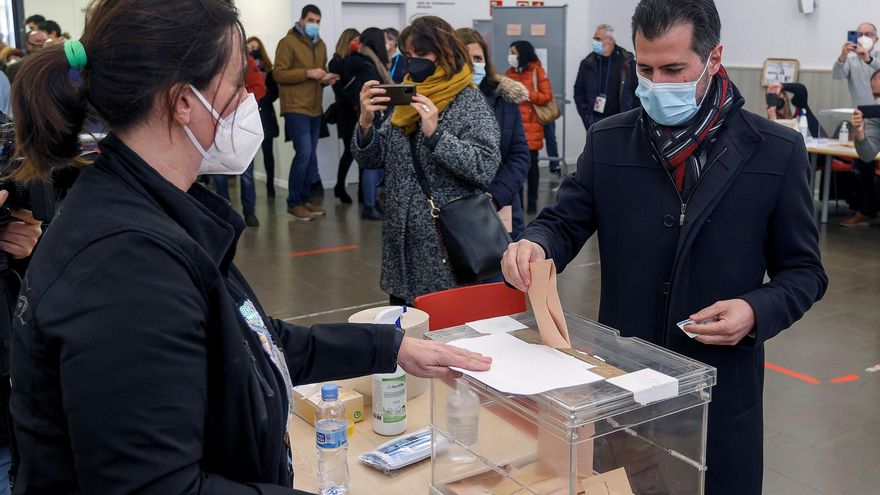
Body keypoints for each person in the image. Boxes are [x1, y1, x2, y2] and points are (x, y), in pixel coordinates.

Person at [7, 1, 491, 492]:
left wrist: (391, 347)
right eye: (238, 85)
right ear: (183, 102)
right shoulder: (125, 264)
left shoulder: (155, 210)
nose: (248, 102)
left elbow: (249, 340)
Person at [501, 1, 827, 494]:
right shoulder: (610, 141)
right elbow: (564, 221)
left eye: (674, 69)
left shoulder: (775, 151)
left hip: (718, 392)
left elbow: (804, 272)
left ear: (714, 58)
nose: (656, 84)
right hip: (623, 389)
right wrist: (533, 243)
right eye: (645, 69)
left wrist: (756, 311)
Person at [353, 15, 501, 305]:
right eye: (409, 55)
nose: (413, 62)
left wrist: (437, 136)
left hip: (444, 249)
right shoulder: (407, 99)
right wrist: (366, 122)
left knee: (445, 335)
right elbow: (373, 158)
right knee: (406, 335)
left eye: (421, 54)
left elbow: (484, 167)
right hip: (402, 249)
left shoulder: (468, 101)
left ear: (444, 52)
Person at [456, 28, 530, 239]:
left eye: (478, 58)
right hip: (457, 212)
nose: (473, 65)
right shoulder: (443, 103)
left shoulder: (504, 99)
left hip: (502, 206)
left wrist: (495, 197)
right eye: (465, 59)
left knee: (503, 269)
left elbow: (520, 155)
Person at [274, 4, 339, 221]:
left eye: (318, 21)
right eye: (311, 20)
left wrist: (325, 80)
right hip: (294, 107)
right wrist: (308, 72)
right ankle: (293, 203)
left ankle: (303, 200)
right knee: (303, 153)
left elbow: (317, 79)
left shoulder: (320, 45)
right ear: (302, 20)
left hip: (314, 107)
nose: (315, 25)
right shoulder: (287, 42)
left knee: (310, 155)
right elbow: (279, 74)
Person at [344, 27, 393, 221]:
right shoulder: (367, 63)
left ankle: (372, 203)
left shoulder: (362, 58)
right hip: (372, 116)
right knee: (371, 165)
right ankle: (370, 205)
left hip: (369, 115)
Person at [212, 54, 266, 227]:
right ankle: (225, 212)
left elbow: (259, 87)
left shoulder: (246, 60)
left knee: (246, 172)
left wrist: (241, 103)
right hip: (215, 123)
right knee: (218, 172)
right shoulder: (210, 57)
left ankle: (249, 212)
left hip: (240, 123)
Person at [505, 40, 552, 214]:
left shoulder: (537, 71)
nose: (510, 56)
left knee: (532, 168)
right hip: (513, 128)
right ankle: (520, 204)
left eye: (513, 52)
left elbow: (546, 96)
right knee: (514, 169)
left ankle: (532, 202)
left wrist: (526, 94)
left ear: (522, 54)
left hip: (531, 127)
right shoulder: (509, 73)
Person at [574, 24, 638, 130]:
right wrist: (586, 116)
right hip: (594, 120)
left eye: (598, 38)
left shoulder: (627, 63)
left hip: (621, 121)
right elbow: (578, 91)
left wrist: (631, 117)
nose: (594, 41)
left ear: (610, 40)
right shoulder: (587, 63)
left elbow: (636, 92)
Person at [844, 69, 880, 227]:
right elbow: (867, 155)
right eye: (877, 96)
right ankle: (866, 210)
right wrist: (860, 135)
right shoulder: (873, 116)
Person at [328, 28, 360, 204]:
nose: (357, 43)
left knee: (362, 150)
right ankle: (340, 186)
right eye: (355, 40)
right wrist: (354, 105)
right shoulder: (335, 62)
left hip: (358, 111)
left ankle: (363, 190)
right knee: (350, 151)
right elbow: (339, 90)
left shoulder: (357, 60)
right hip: (346, 112)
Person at [247, 36, 280, 197]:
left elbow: (275, 92)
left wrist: (263, 99)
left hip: (266, 113)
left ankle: (270, 185)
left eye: (256, 47)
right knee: (249, 156)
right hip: (249, 113)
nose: (254, 49)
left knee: (268, 152)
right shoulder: (243, 67)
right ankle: (250, 191)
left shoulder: (269, 70)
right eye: (250, 47)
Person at [833, 22, 880, 107]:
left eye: (868, 34)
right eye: (859, 35)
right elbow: (837, 75)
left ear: (876, 39)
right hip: (861, 115)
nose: (863, 38)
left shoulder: (878, 58)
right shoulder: (851, 62)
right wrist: (843, 56)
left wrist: (868, 59)